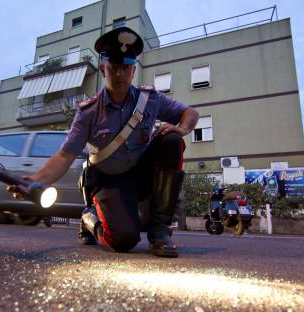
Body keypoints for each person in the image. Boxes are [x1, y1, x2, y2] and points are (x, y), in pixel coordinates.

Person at [26, 27, 199, 257]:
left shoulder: (150, 100)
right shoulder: (88, 112)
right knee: (123, 241)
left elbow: (190, 112)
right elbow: (64, 157)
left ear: (133, 70)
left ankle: (160, 231)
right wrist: (36, 180)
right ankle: (89, 217)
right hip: (109, 179)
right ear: (103, 69)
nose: (119, 74)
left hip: (140, 173)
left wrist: (183, 127)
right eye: (114, 67)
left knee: (172, 141)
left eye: (125, 68)